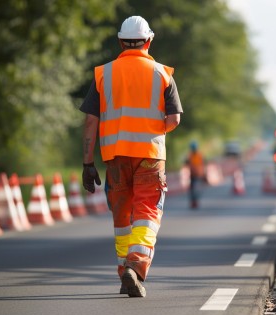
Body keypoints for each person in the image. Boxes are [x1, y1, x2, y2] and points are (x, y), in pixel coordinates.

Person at [80, 16, 183, 297]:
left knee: (122, 214)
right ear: (149, 40)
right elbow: (173, 118)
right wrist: (153, 130)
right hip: (150, 154)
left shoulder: (104, 74)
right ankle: (135, 266)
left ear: (120, 41)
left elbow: (91, 121)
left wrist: (88, 164)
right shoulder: (163, 73)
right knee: (148, 211)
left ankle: (124, 268)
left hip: (114, 156)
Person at [186, 141, 205, 209]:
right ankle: (194, 201)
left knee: (196, 189)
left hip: (198, 175)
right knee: (192, 189)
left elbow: (202, 164)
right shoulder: (191, 155)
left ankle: (195, 201)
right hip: (193, 175)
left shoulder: (198, 155)